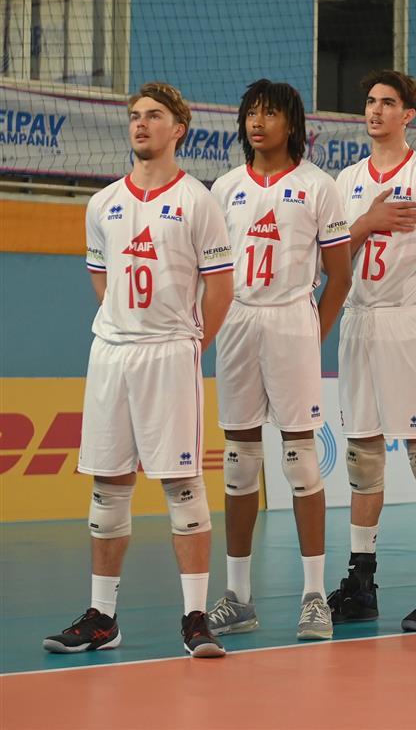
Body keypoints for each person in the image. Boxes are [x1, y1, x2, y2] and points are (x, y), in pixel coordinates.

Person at [44, 82, 233, 658]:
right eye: (134, 115)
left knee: (183, 486)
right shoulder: (102, 203)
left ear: (179, 129)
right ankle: (103, 618)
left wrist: (191, 343)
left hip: (170, 353)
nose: (140, 123)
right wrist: (122, 323)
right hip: (111, 354)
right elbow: (100, 275)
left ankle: (195, 618)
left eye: (153, 115)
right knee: (108, 487)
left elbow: (221, 288)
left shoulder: (198, 200)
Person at [206, 80, 351, 641]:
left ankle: (314, 596)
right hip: (238, 322)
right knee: (239, 462)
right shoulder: (225, 188)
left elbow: (340, 275)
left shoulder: (318, 186)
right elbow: (211, 273)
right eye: (251, 113)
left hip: (292, 319)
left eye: (269, 113)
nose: (257, 122)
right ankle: (238, 597)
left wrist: (313, 333)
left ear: (292, 123)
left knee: (300, 461)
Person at [325, 71, 416, 631]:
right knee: (362, 455)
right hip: (358, 321)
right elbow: (332, 261)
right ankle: (361, 581)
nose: (375, 110)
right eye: (369, 102)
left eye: (387, 103)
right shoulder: (347, 180)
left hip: (407, 324)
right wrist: (367, 222)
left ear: (408, 114)